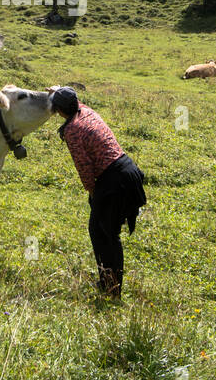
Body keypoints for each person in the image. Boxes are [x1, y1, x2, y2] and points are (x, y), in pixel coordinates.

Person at [50, 86, 146, 299]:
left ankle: (112, 290)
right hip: (127, 170)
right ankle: (107, 282)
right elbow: (75, 102)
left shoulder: (72, 130)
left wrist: (94, 194)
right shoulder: (86, 112)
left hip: (113, 181)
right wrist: (59, 90)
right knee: (100, 231)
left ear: (59, 111)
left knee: (106, 235)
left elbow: (84, 167)